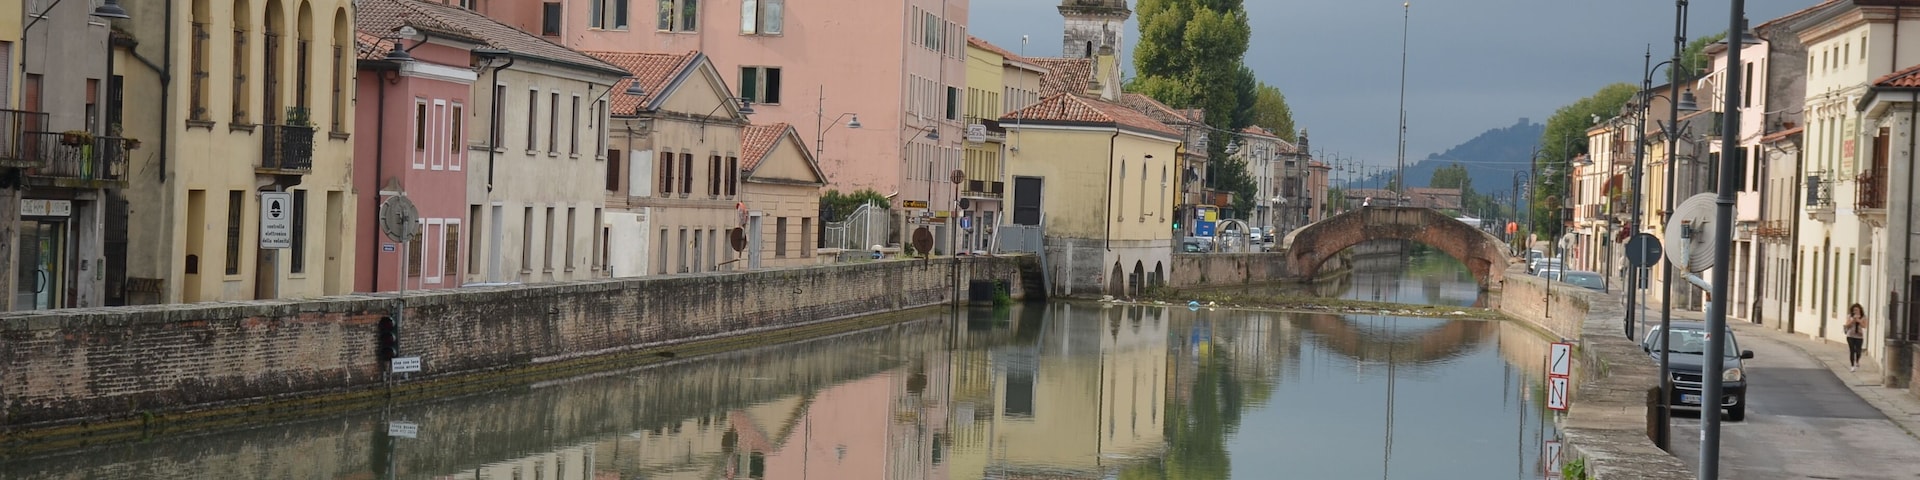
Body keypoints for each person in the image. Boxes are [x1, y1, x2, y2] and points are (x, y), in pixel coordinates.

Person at [1845, 303, 1867, 372]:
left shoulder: (1863, 317)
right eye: (1854, 310)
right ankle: (1852, 366)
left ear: (1860, 310)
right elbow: (1847, 325)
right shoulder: (1850, 316)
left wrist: (1859, 321)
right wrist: (1853, 320)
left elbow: (1864, 326)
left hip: (1859, 336)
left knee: (1858, 351)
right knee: (1852, 350)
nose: (1855, 311)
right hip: (1850, 335)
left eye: (1857, 310)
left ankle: (1857, 360)